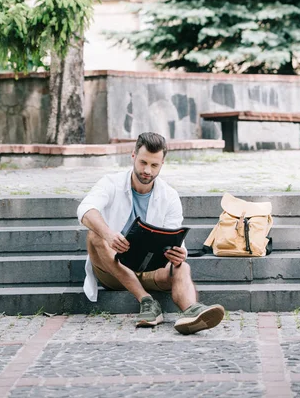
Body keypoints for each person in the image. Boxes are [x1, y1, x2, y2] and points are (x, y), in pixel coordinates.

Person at [77, 131, 225, 334]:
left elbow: (174, 236)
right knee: (95, 235)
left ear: (162, 164)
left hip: (151, 269)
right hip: (113, 270)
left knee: (182, 267)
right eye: (143, 163)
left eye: (154, 165)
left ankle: (192, 311)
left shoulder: (169, 196)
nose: (147, 170)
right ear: (133, 156)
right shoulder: (111, 183)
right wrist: (109, 234)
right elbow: (85, 209)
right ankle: (146, 301)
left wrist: (179, 253)